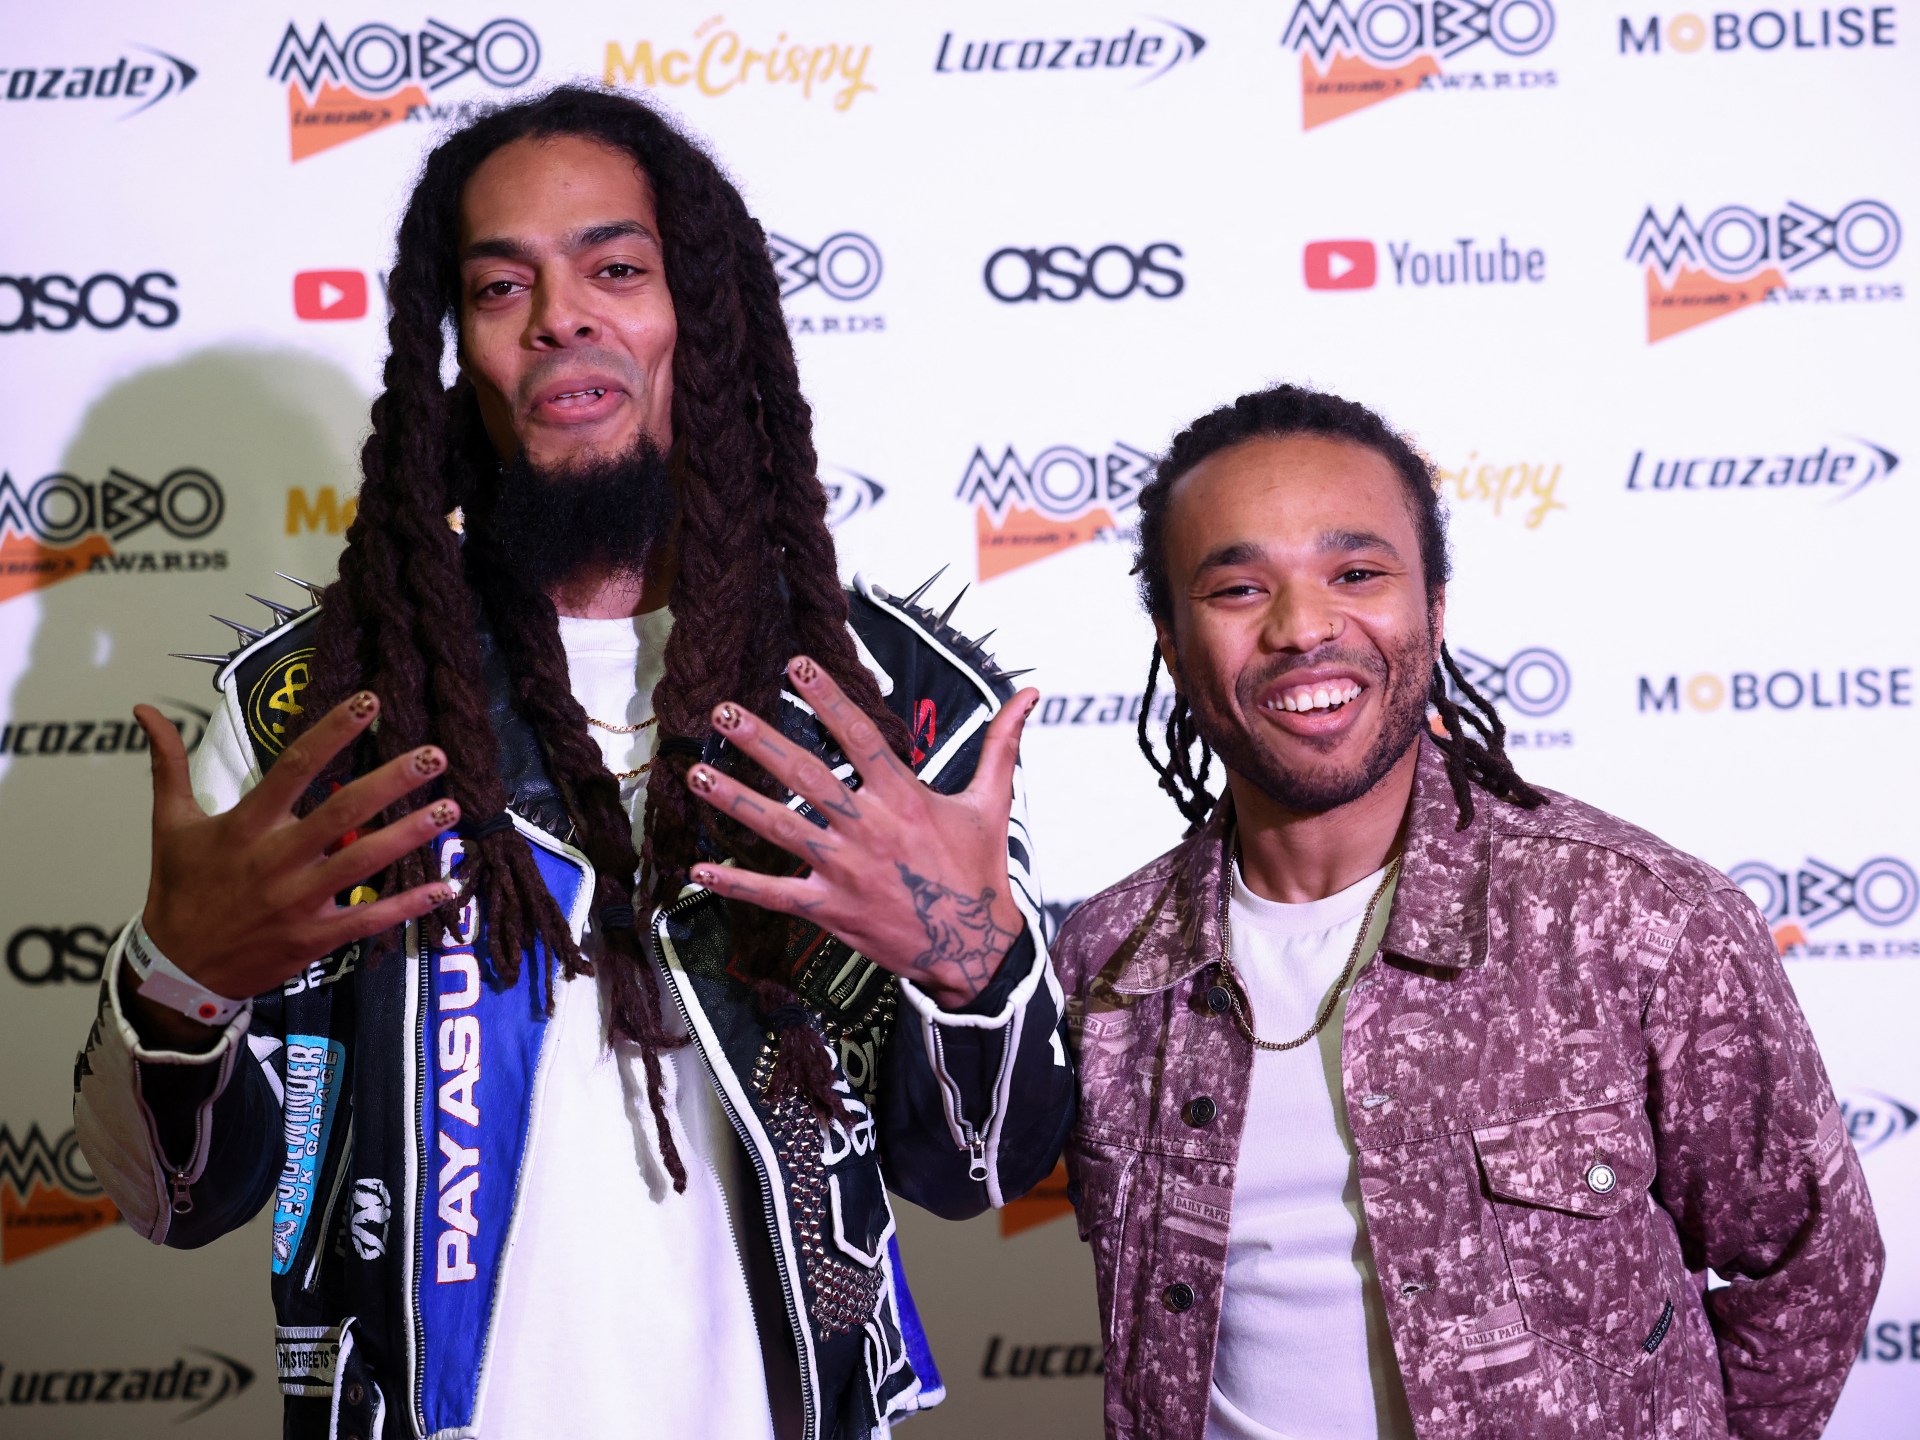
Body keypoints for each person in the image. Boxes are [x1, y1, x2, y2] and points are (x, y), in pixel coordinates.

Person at [72, 85, 1073, 1440]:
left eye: (616, 269)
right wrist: (178, 987)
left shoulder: (885, 707)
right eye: (501, 287)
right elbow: (173, 1202)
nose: (559, 317)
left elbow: (978, 1174)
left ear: (700, 317)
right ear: (459, 350)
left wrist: (969, 970)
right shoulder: (322, 714)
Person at [1050, 384, 1882, 1440]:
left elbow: (1813, 1268)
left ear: (1434, 609)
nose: (1303, 628)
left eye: (1357, 574)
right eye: (1239, 588)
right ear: (1170, 641)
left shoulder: (1636, 920)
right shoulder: (1107, 963)